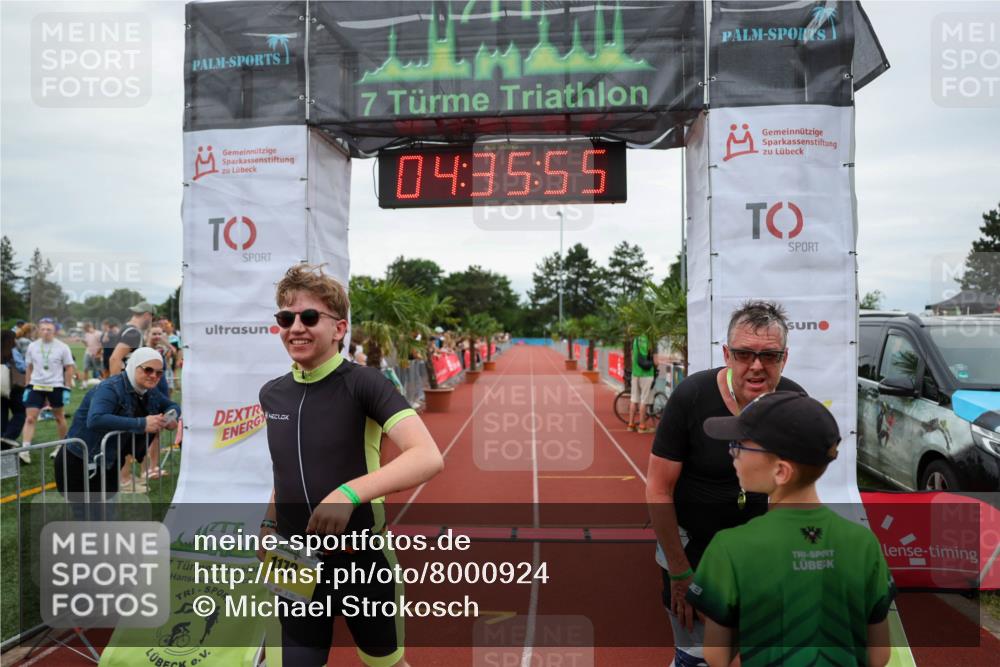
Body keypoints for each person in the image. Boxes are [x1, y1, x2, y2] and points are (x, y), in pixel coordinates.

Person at [258, 263, 444, 667]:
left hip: (360, 558)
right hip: (293, 560)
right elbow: (285, 469)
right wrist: (270, 522)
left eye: (309, 317)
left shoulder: (365, 384)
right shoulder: (272, 394)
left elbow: (427, 456)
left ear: (339, 329)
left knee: (384, 663)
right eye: (286, 318)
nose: (296, 328)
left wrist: (348, 493)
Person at [646, 300, 805, 667]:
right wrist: (680, 573)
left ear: (785, 357)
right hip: (693, 552)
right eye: (744, 353)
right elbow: (657, 488)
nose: (756, 365)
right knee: (697, 658)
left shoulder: (795, 402)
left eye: (769, 355)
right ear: (726, 354)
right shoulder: (692, 397)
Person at [688, 391, 894, 667]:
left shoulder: (729, 546)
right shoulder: (864, 542)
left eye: (740, 445)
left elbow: (717, 656)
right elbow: (879, 656)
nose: (732, 452)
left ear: (781, 472)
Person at [56, 348, 179, 511]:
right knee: (87, 517)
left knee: (105, 514)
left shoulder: (148, 390)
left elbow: (172, 405)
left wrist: (171, 417)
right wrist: (141, 423)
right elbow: (95, 419)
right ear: (134, 366)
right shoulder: (110, 387)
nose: (154, 376)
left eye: (159, 373)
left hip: (110, 461)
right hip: (80, 460)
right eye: (148, 370)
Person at [20, 318, 76, 465]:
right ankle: (25, 450)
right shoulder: (32, 346)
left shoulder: (62, 347)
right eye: (43, 329)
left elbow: (69, 367)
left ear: (54, 331)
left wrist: (67, 387)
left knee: (59, 417)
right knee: (30, 418)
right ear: (39, 330)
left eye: (49, 329)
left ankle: (61, 446)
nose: (45, 332)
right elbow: (29, 367)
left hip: (55, 386)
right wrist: (27, 384)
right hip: (36, 385)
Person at [109, 300, 154, 375]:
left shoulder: (126, 328)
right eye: (152, 317)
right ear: (147, 315)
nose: (151, 322)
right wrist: (116, 385)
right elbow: (115, 359)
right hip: (125, 381)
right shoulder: (133, 333)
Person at [1, 330, 27, 455]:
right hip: (14, 388)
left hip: (1, 390)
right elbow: (22, 367)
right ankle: (8, 437)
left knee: (2, 414)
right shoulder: (13, 352)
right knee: (20, 412)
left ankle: (2, 440)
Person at [628, 333, 656, 433]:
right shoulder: (650, 340)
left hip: (635, 373)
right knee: (644, 400)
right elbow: (655, 360)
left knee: (634, 399)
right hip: (647, 374)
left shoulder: (635, 339)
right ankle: (642, 426)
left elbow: (632, 356)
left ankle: (631, 424)